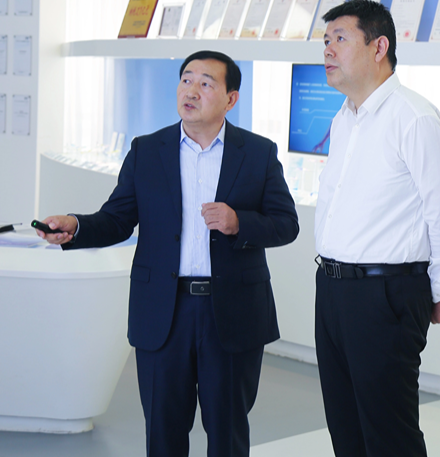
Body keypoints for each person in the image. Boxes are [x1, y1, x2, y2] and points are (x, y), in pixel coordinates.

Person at [38, 50, 300, 457]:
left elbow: (286, 224)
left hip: (232, 313)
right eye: (186, 80)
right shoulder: (147, 150)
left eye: (205, 83)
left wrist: (239, 222)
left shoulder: (258, 153)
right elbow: (117, 219)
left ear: (231, 99)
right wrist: (76, 225)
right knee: (162, 432)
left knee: (228, 432)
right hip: (164, 311)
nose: (191, 91)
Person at [313, 0, 440, 457]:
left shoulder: (414, 117)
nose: (328, 50)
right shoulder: (344, 118)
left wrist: (434, 291)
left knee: (389, 435)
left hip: (385, 293)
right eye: (325, 40)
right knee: (346, 429)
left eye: (340, 39)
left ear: (379, 47)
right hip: (333, 288)